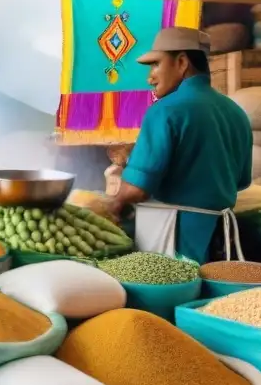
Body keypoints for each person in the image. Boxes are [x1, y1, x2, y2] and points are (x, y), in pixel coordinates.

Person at [105, 27, 253, 263]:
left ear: (182, 62)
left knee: (169, 295)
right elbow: (242, 181)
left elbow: (137, 189)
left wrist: (115, 204)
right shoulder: (236, 113)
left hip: (174, 237)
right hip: (220, 239)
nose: (149, 77)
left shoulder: (165, 111)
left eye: (156, 65)